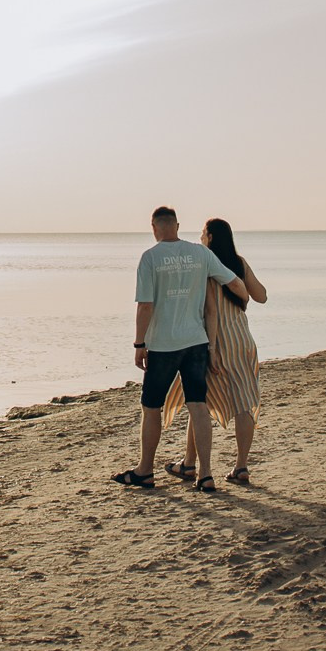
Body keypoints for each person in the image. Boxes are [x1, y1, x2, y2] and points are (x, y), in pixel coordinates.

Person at [112, 206, 248, 494]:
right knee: (198, 406)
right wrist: (244, 300)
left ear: (154, 227)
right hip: (196, 342)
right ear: (176, 225)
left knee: (151, 408)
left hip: (163, 345)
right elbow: (233, 282)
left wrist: (139, 344)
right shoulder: (200, 254)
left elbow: (145, 306)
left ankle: (145, 470)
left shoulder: (150, 257)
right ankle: (205, 474)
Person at [161, 217, 266, 485]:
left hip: (217, 341)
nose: (199, 237)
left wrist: (213, 347)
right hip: (243, 339)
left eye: (202, 233)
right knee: (244, 402)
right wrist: (242, 292)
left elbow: (210, 312)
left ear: (209, 237)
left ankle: (189, 464)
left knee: (199, 403)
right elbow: (261, 296)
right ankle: (241, 466)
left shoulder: (205, 266)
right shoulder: (239, 263)